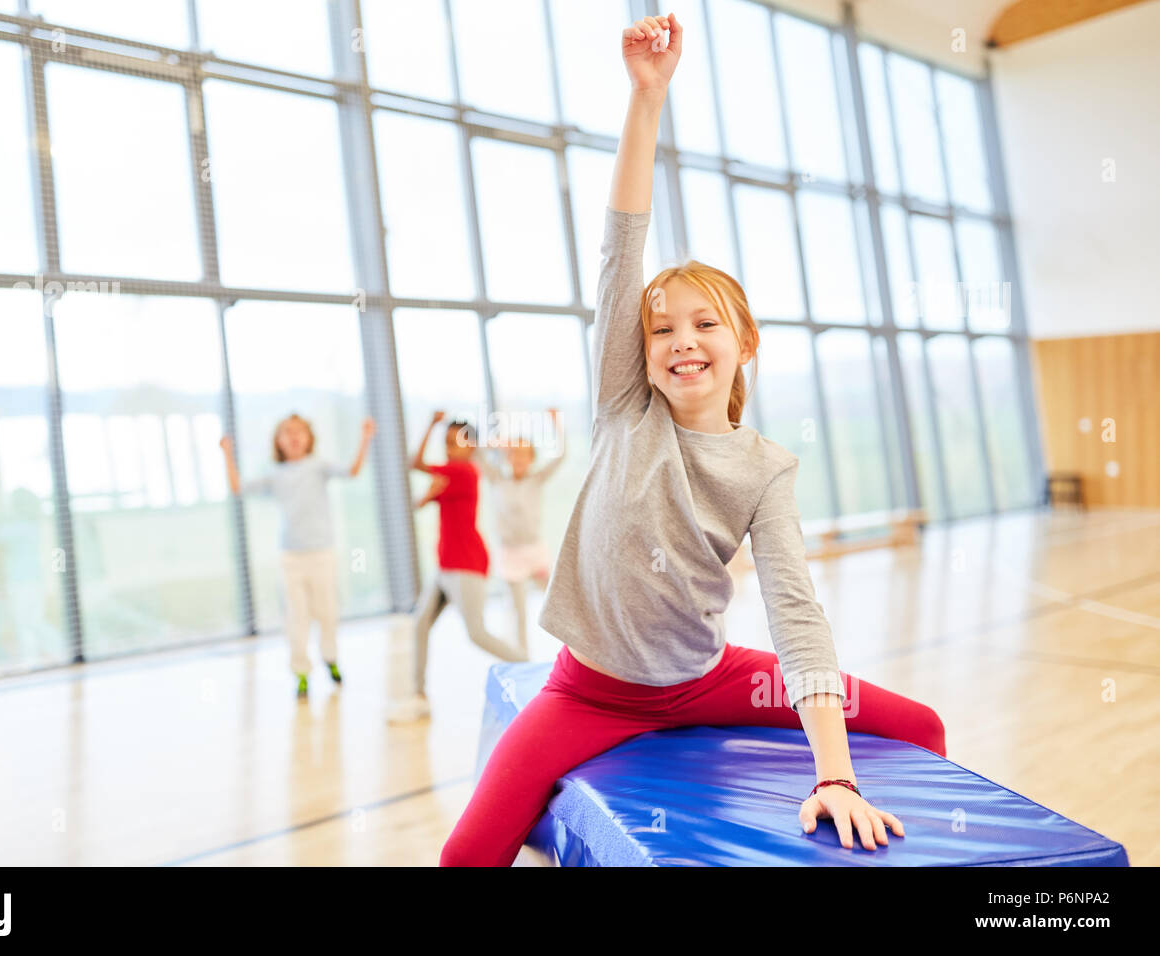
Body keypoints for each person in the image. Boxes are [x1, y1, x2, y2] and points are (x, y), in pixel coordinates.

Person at [439, 12, 945, 866]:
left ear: (744, 342)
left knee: (920, 725)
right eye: (662, 327)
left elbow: (797, 617)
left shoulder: (764, 469)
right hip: (587, 690)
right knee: (464, 856)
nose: (680, 338)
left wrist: (836, 776)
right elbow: (619, 250)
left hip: (711, 680)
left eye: (705, 322)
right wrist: (647, 99)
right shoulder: (623, 408)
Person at [220, 413, 374, 698]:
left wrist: (365, 438)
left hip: (322, 553)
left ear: (309, 438)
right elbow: (238, 487)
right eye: (287, 432)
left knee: (327, 612)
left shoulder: (318, 466)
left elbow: (352, 471)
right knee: (296, 617)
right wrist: (227, 454)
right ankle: (301, 673)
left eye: (299, 431)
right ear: (278, 441)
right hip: (291, 557)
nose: (293, 437)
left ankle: (331, 659)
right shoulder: (274, 473)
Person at [389, 411, 529, 723]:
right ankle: (418, 695)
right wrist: (429, 494)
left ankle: (531, 667)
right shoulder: (449, 476)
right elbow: (419, 502)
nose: (451, 448)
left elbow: (414, 463)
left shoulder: (464, 472)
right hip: (444, 566)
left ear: (472, 447)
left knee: (477, 634)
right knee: (421, 623)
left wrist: (428, 422)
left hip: (465, 564)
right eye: (447, 442)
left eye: (458, 442)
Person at [474, 408, 568, 654]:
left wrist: (555, 422)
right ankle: (521, 659)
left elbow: (561, 454)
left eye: (524, 454)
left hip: (534, 551)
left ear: (532, 458)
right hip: (509, 554)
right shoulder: (497, 479)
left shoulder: (537, 478)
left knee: (556, 603)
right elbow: (476, 453)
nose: (518, 459)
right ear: (506, 456)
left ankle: (573, 654)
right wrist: (497, 444)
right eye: (514, 453)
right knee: (518, 614)